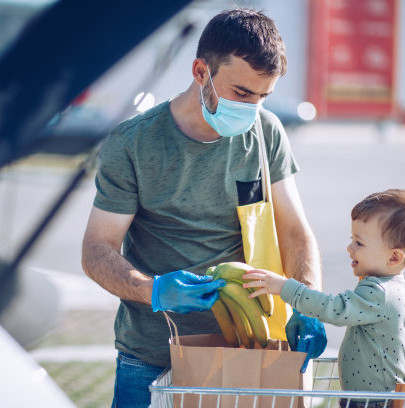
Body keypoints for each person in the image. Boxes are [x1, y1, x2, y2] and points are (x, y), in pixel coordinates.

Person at [81, 8, 326, 407]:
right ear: (200, 72)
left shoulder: (266, 132)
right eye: (241, 93)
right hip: (151, 358)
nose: (251, 109)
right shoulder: (132, 143)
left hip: (249, 351)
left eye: (263, 96)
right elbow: (96, 250)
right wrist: (153, 290)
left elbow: (295, 233)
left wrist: (309, 302)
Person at [244, 189, 405, 407]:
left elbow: (334, 309)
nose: (349, 248)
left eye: (359, 243)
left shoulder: (378, 292)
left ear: (394, 257)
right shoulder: (400, 290)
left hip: (368, 401)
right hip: (380, 397)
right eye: (351, 239)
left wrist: (287, 288)